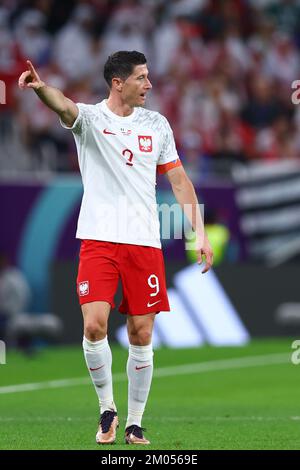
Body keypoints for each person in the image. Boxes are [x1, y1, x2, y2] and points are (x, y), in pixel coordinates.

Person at [18, 51, 213, 445]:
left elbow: (179, 182)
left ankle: (135, 423)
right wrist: (41, 90)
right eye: (142, 78)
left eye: (149, 77)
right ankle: (107, 409)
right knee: (94, 324)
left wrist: (200, 232)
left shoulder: (157, 125)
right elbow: (66, 106)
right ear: (118, 82)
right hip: (99, 240)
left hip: (144, 244)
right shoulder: (91, 121)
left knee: (141, 334)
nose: (150, 84)